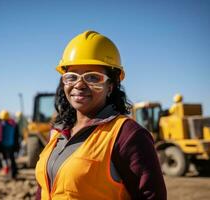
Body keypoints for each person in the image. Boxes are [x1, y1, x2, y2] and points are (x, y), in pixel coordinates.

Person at [35, 30, 167, 200]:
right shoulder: (58, 132)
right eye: (72, 77)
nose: (79, 85)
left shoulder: (127, 135)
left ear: (111, 85)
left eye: (92, 77)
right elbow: (43, 190)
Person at [0, 110, 19, 178]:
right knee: (11, 158)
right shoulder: (13, 124)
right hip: (11, 144)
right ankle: (14, 172)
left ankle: (7, 171)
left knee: (5, 159)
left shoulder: (2, 124)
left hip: (4, 144)